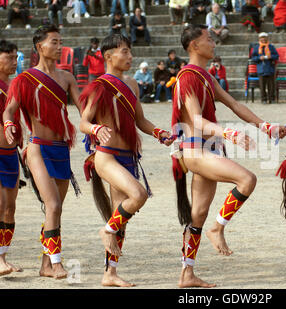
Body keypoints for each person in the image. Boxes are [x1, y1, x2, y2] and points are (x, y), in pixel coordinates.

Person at [171, 24, 286, 288]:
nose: (213, 43)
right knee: (246, 180)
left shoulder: (205, 77)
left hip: (208, 149)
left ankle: (186, 274)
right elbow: (198, 121)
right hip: (196, 149)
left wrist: (265, 126)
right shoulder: (188, 77)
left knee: (197, 214)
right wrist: (229, 133)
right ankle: (218, 228)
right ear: (194, 46)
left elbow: (235, 105)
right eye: (208, 39)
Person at [79, 34, 174, 287]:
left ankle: (110, 273)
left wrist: (159, 133)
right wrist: (96, 130)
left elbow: (140, 120)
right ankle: (106, 230)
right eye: (124, 51)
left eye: (130, 51)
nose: (130, 56)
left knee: (120, 220)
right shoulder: (99, 86)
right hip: (107, 157)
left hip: (128, 157)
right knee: (138, 196)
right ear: (108, 56)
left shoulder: (132, 84)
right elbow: (83, 122)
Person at [3, 24, 82, 280]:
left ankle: (46, 265)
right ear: (40, 47)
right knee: (54, 204)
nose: (60, 47)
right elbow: (9, 110)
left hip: (62, 149)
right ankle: (58, 263)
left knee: (54, 210)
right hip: (37, 148)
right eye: (55, 42)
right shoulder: (24, 79)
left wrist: (96, 126)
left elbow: (84, 111)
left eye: (61, 42)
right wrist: (9, 125)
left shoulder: (67, 78)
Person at [0, 40, 21, 277]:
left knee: (10, 208)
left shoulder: (14, 86)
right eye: (9, 57)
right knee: (0, 205)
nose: (14, 62)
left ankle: (3, 256)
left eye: (16, 57)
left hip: (11, 153)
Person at [251, 32, 279, 104]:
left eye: (264, 38)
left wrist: (270, 57)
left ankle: (272, 98)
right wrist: (259, 58)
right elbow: (253, 58)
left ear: (267, 38)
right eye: (262, 38)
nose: (263, 39)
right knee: (262, 85)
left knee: (271, 85)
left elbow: (276, 56)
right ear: (259, 39)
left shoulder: (271, 47)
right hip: (261, 69)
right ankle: (263, 99)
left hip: (270, 68)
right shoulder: (257, 47)